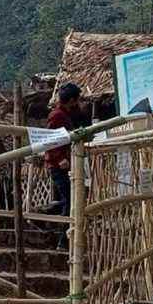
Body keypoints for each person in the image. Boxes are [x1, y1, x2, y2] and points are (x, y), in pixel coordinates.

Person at [45, 82, 88, 250]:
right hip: (59, 164)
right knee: (69, 200)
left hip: (64, 163)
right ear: (71, 100)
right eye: (76, 100)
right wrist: (59, 158)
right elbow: (50, 139)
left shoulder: (66, 113)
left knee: (68, 199)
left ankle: (63, 236)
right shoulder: (57, 115)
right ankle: (63, 240)